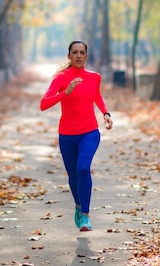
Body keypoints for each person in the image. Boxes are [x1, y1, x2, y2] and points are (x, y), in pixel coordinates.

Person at [40, 40, 113, 232]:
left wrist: (106, 113)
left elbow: (96, 96)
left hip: (89, 132)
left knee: (83, 169)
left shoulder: (95, 77)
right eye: (75, 52)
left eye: (82, 52)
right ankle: (78, 207)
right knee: (73, 176)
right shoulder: (61, 78)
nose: (79, 56)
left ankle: (86, 216)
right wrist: (66, 92)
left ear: (86, 56)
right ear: (69, 56)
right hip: (67, 135)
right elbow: (44, 104)